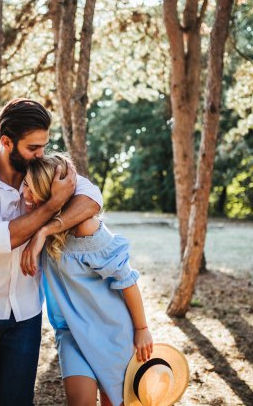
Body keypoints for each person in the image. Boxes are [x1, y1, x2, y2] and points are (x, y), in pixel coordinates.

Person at [0, 98, 103, 406]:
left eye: (44, 146)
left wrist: (45, 230)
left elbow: (93, 198)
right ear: (6, 142)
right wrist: (52, 204)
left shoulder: (46, 170)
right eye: (33, 147)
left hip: (25, 315)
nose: (41, 154)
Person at [20, 153, 153, 406]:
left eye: (31, 187)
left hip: (111, 332)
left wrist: (142, 329)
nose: (24, 193)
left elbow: (126, 279)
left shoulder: (85, 227)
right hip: (71, 334)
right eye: (25, 184)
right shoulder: (37, 223)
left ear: (51, 194)